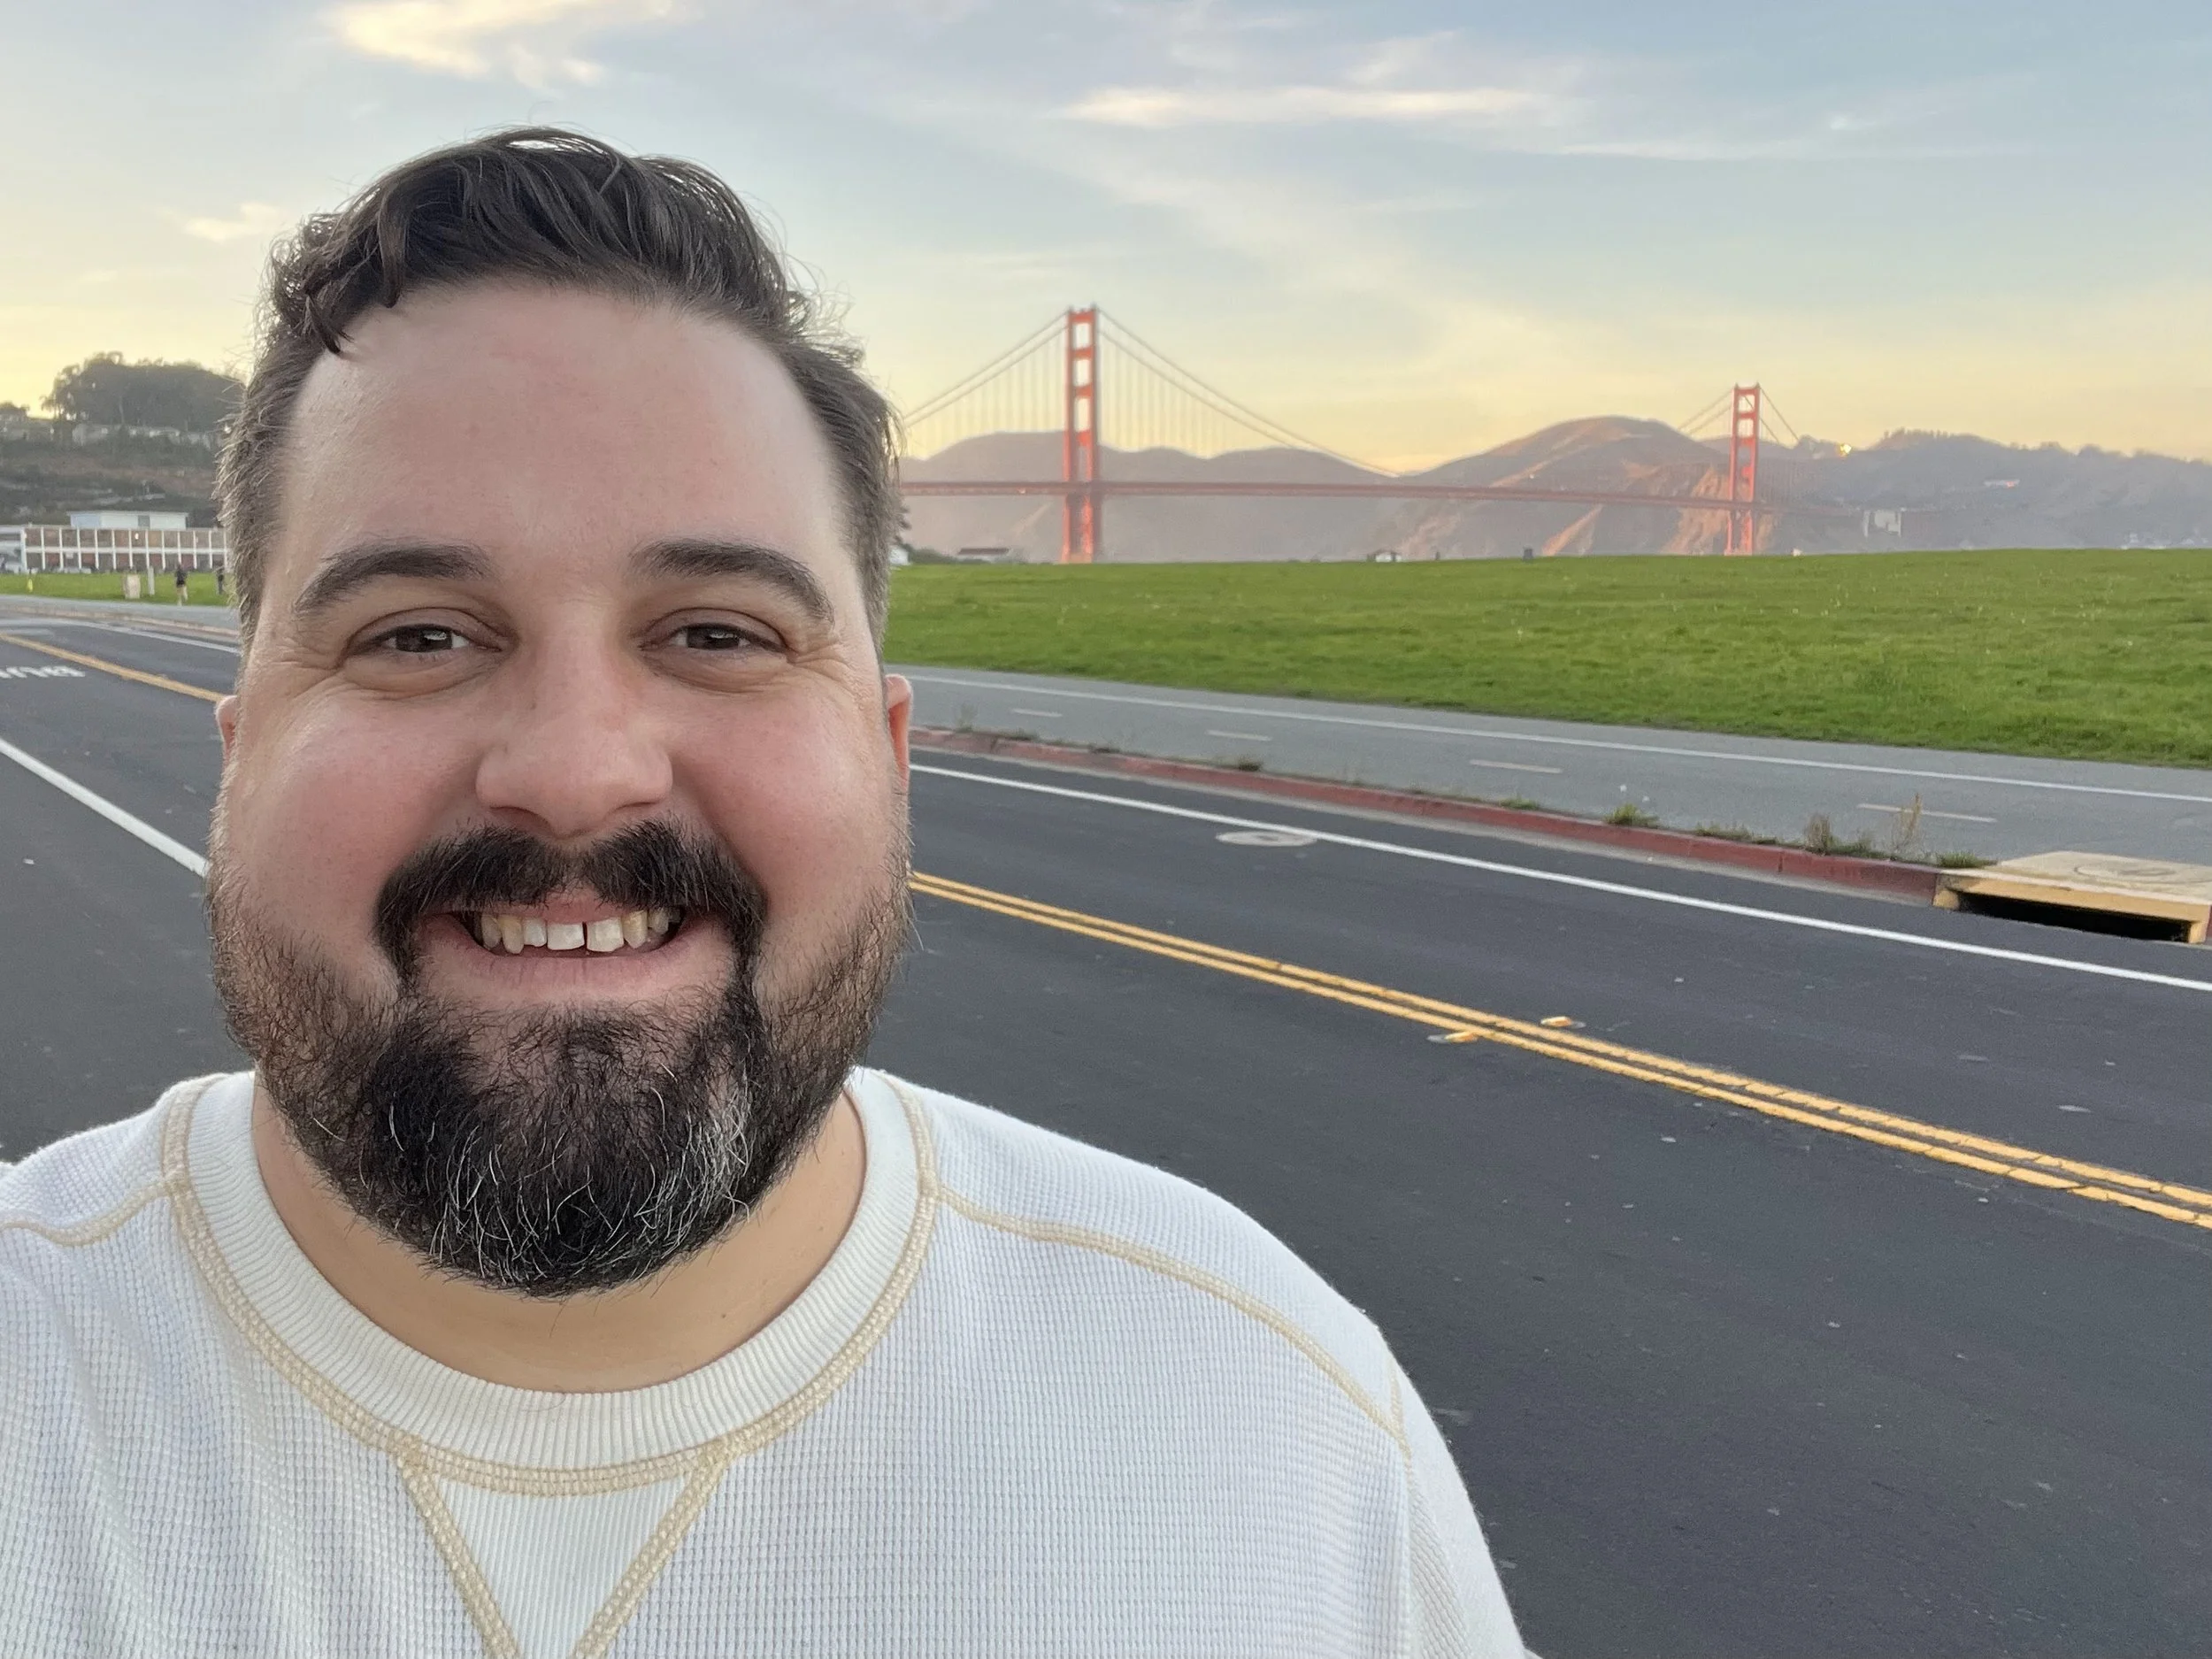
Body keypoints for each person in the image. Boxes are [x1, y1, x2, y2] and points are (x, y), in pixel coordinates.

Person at [0, 130, 1524, 1658]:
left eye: (719, 633)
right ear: (240, 744)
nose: (580, 772)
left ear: (887, 748)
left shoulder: (1280, 1424)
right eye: (416, 636)